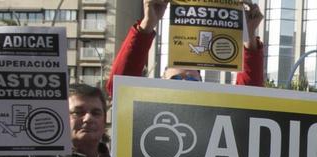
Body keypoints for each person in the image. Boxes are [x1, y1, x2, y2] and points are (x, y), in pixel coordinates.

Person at [106, 0, 265, 96]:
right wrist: (148, 23)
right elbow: (120, 87)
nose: (183, 83)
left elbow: (249, 99)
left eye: (190, 80)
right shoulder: (146, 107)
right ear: (161, 81)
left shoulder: (214, 116)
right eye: (175, 79)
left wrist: (248, 36)